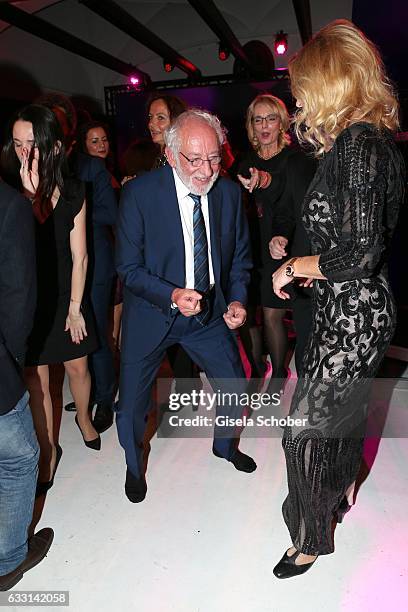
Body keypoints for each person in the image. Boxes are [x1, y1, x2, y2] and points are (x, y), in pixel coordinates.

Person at [270, 20, 404, 578]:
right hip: (341, 309)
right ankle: (338, 486)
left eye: (302, 86)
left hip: (356, 316)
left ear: (328, 82)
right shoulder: (363, 141)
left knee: (300, 432)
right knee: (331, 422)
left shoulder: (360, 145)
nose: (297, 99)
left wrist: (293, 267)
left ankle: (311, 537)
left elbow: (359, 253)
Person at [116, 109, 256, 503]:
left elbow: (241, 258)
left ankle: (225, 448)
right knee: (130, 409)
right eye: (195, 159)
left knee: (235, 385)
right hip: (152, 313)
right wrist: (172, 294)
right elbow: (127, 268)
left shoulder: (228, 194)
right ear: (172, 155)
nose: (206, 169)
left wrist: (238, 300)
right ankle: (132, 465)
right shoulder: (140, 195)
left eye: (214, 157)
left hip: (208, 315)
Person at [1, 104, 100, 497]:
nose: (24, 152)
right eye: (17, 143)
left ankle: (85, 420)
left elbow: (81, 256)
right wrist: (27, 193)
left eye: (33, 144)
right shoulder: (11, 191)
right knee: (37, 383)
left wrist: (76, 307)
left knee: (78, 367)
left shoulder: (75, 190)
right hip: (26, 297)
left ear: (55, 147)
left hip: (66, 293)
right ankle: (49, 449)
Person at [0, 179, 54, 591]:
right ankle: (7, 560)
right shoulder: (7, 205)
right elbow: (19, 297)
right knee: (20, 457)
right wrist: (12, 364)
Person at [237, 94, 306, 391]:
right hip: (251, 245)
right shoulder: (244, 162)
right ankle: (256, 369)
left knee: (271, 313)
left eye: (270, 118)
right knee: (250, 314)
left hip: (283, 243)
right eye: (257, 119)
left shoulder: (294, 159)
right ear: (251, 126)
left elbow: (292, 204)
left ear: (282, 123)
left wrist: (265, 182)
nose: (264, 125)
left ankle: (278, 372)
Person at [63, 120, 118, 434]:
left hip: (95, 262)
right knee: (76, 333)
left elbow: (112, 214)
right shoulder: (49, 164)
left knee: (96, 333)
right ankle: (89, 391)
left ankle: (105, 398)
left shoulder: (93, 168)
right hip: (66, 265)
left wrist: (71, 210)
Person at [269, 150, 317, 374]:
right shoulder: (298, 160)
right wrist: (280, 235)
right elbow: (286, 210)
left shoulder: (353, 153)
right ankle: (304, 407)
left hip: (343, 279)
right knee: (305, 346)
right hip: (300, 277)